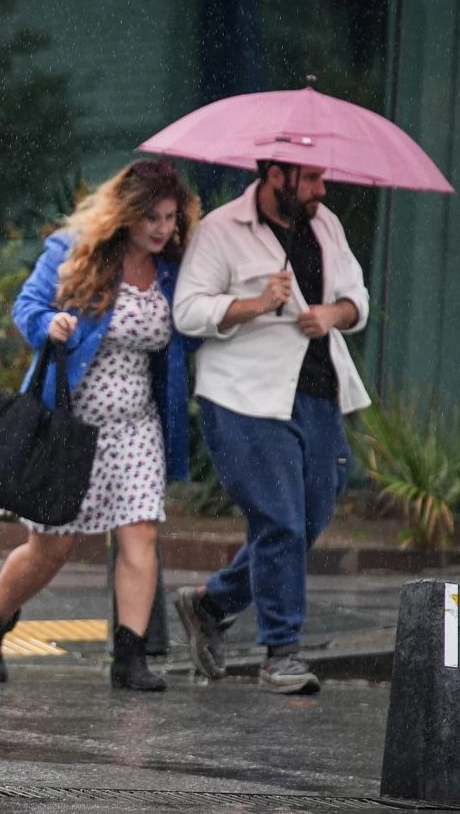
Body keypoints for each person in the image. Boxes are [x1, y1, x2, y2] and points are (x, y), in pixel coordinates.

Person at [0, 160, 201, 692]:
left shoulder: (173, 269)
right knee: (52, 547)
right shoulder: (74, 251)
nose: (163, 228)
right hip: (70, 427)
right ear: (126, 214)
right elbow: (27, 306)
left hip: (137, 426)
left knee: (140, 533)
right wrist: (49, 324)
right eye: (152, 218)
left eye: (170, 218)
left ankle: (130, 657)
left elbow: (194, 325)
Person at [172, 161, 370, 696]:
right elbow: (187, 311)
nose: (321, 189)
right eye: (310, 179)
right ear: (277, 174)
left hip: (317, 393)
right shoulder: (221, 230)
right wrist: (255, 304)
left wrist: (332, 314)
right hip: (244, 396)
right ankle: (281, 653)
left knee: (309, 517)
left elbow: (357, 299)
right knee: (279, 519)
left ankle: (211, 603)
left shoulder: (326, 224)